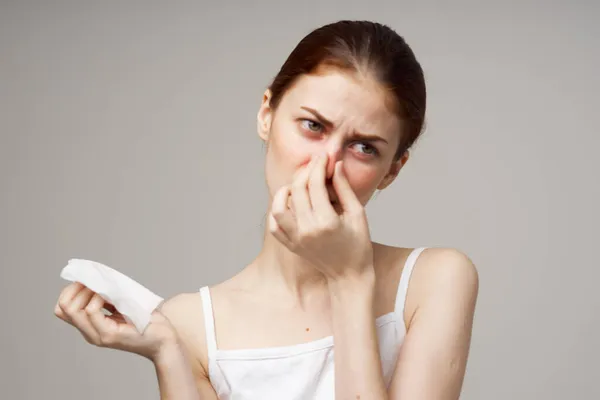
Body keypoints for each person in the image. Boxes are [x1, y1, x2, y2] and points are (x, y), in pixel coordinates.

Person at [54, 20, 479, 400]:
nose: (325, 165)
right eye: (313, 126)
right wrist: (168, 352)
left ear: (392, 171)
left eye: (363, 148)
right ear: (266, 114)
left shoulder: (435, 280)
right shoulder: (190, 324)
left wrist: (349, 279)